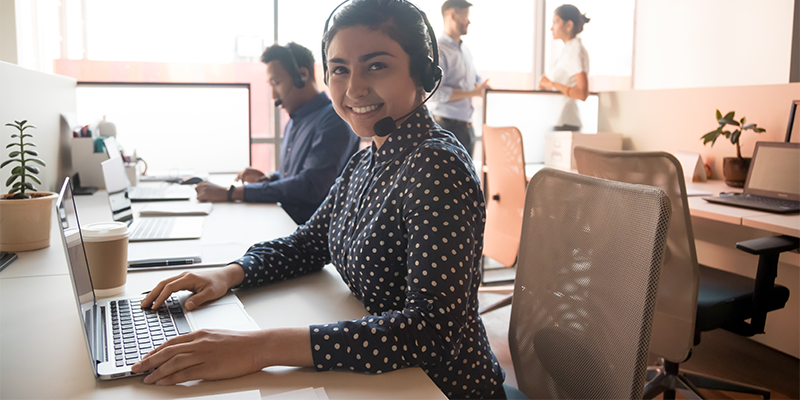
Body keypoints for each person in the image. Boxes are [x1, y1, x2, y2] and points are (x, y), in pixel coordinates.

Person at [132, 1, 506, 398]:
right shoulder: (367, 161)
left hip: (441, 388)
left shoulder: (437, 165)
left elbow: (430, 331)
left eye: (376, 65)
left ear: (423, 72)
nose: (354, 88)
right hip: (381, 381)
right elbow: (308, 243)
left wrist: (262, 347)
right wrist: (230, 273)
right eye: (340, 69)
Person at [194, 42, 360, 225]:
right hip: (286, 223)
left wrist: (231, 193)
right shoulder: (295, 120)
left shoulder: (334, 121)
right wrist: (269, 178)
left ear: (302, 76)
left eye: (277, 83)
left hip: (312, 237)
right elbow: (297, 174)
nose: (273, 95)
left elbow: (310, 186)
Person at [427, 0, 489, 158]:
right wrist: (472, 93)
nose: (469, 21)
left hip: (467, 128)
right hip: (446, 127)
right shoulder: (439, 49)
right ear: (452, 15)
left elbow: (476, 81)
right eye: (465, 15)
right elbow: (434, 92)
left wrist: (484, 89)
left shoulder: (465, 50)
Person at [538, 4, 590, 131]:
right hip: (560, 119)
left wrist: (553, 84)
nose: (552, 28)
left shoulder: (575, 51)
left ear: (569, 25)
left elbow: (583, 93)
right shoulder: (568, 49)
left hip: (567, 122)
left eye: (556, 22)